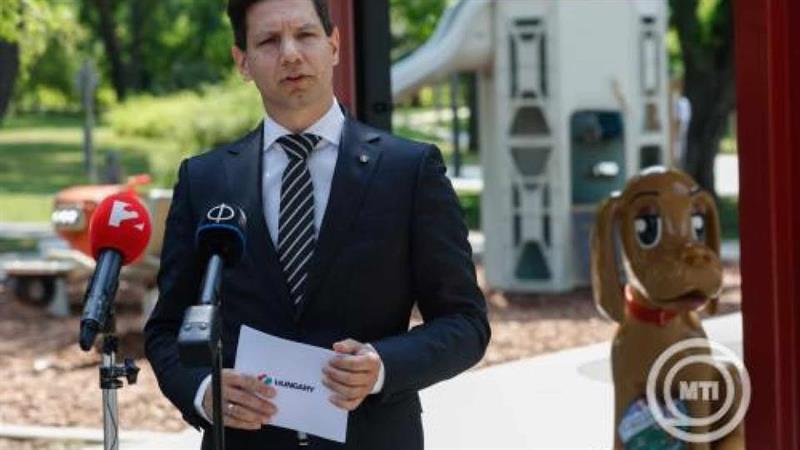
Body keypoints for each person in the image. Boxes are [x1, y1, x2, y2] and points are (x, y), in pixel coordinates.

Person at [144, 0, 490, 449]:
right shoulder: (204, 180)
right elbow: (167, 328)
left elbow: (465, 322)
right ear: (243, 61)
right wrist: (203, 391)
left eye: (305, 35)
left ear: (334, 46)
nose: (290, 54)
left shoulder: (409, 171)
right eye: (269, 41)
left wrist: (383, 366)